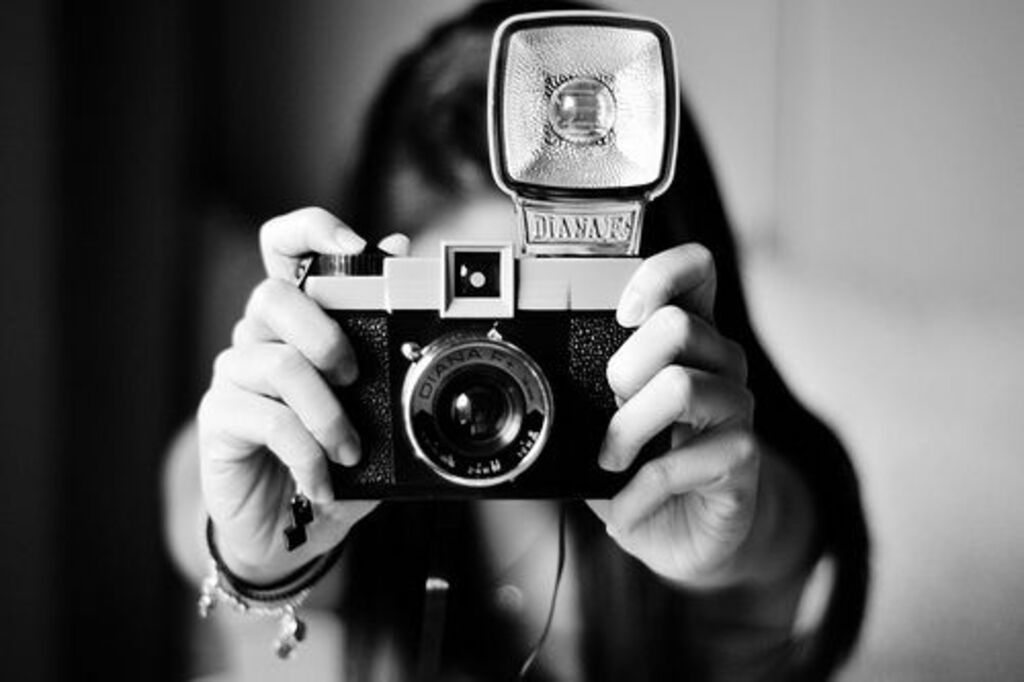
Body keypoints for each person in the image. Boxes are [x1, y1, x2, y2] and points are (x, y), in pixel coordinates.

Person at [164, 1, 869, 680]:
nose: (490, 372)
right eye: (449, 321)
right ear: (366, 313)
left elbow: (779, 524)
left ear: (668, 301)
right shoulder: (326, 471)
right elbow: (196, 491)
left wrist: (733, 540)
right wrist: (254, 552)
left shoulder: (734, 487)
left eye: (545, 315)